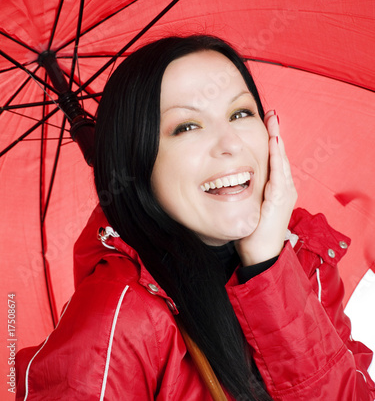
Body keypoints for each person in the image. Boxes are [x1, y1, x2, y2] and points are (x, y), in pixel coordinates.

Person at [16, 35, 375, 400]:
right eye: (187, 126)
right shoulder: (116, 321)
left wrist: (267, 268)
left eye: (240, 113)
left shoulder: (302, 263)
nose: (231, 143)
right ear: (136, 165)